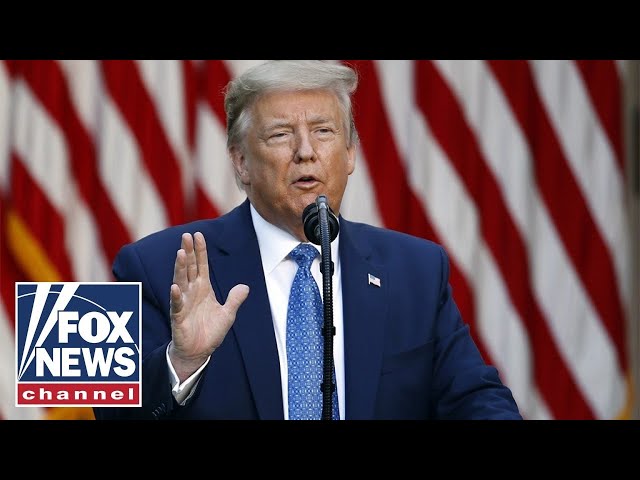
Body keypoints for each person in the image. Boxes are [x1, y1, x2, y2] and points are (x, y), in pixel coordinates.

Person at [93, 60, 522, 420]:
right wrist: (182, 362)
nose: (305, 151)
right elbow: (100, 410)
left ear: (350, 154)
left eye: (324, 131)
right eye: (280, 134)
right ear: (241, 162)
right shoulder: (154, 264)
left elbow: (476, 399)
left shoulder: (417, 270)